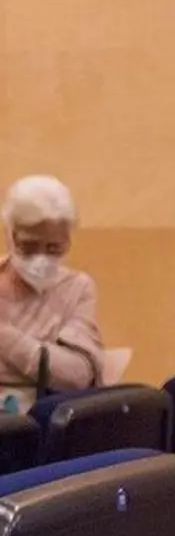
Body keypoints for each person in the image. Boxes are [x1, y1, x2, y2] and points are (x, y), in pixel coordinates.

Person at [0, 175, 103, 414]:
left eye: (54, 248)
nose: (41, 258)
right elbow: (58, 369)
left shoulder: (77, 288)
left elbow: (77, 374)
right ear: (10, 234)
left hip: (45, 422)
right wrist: (45, 358)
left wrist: (6, 337)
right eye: (29, 246)